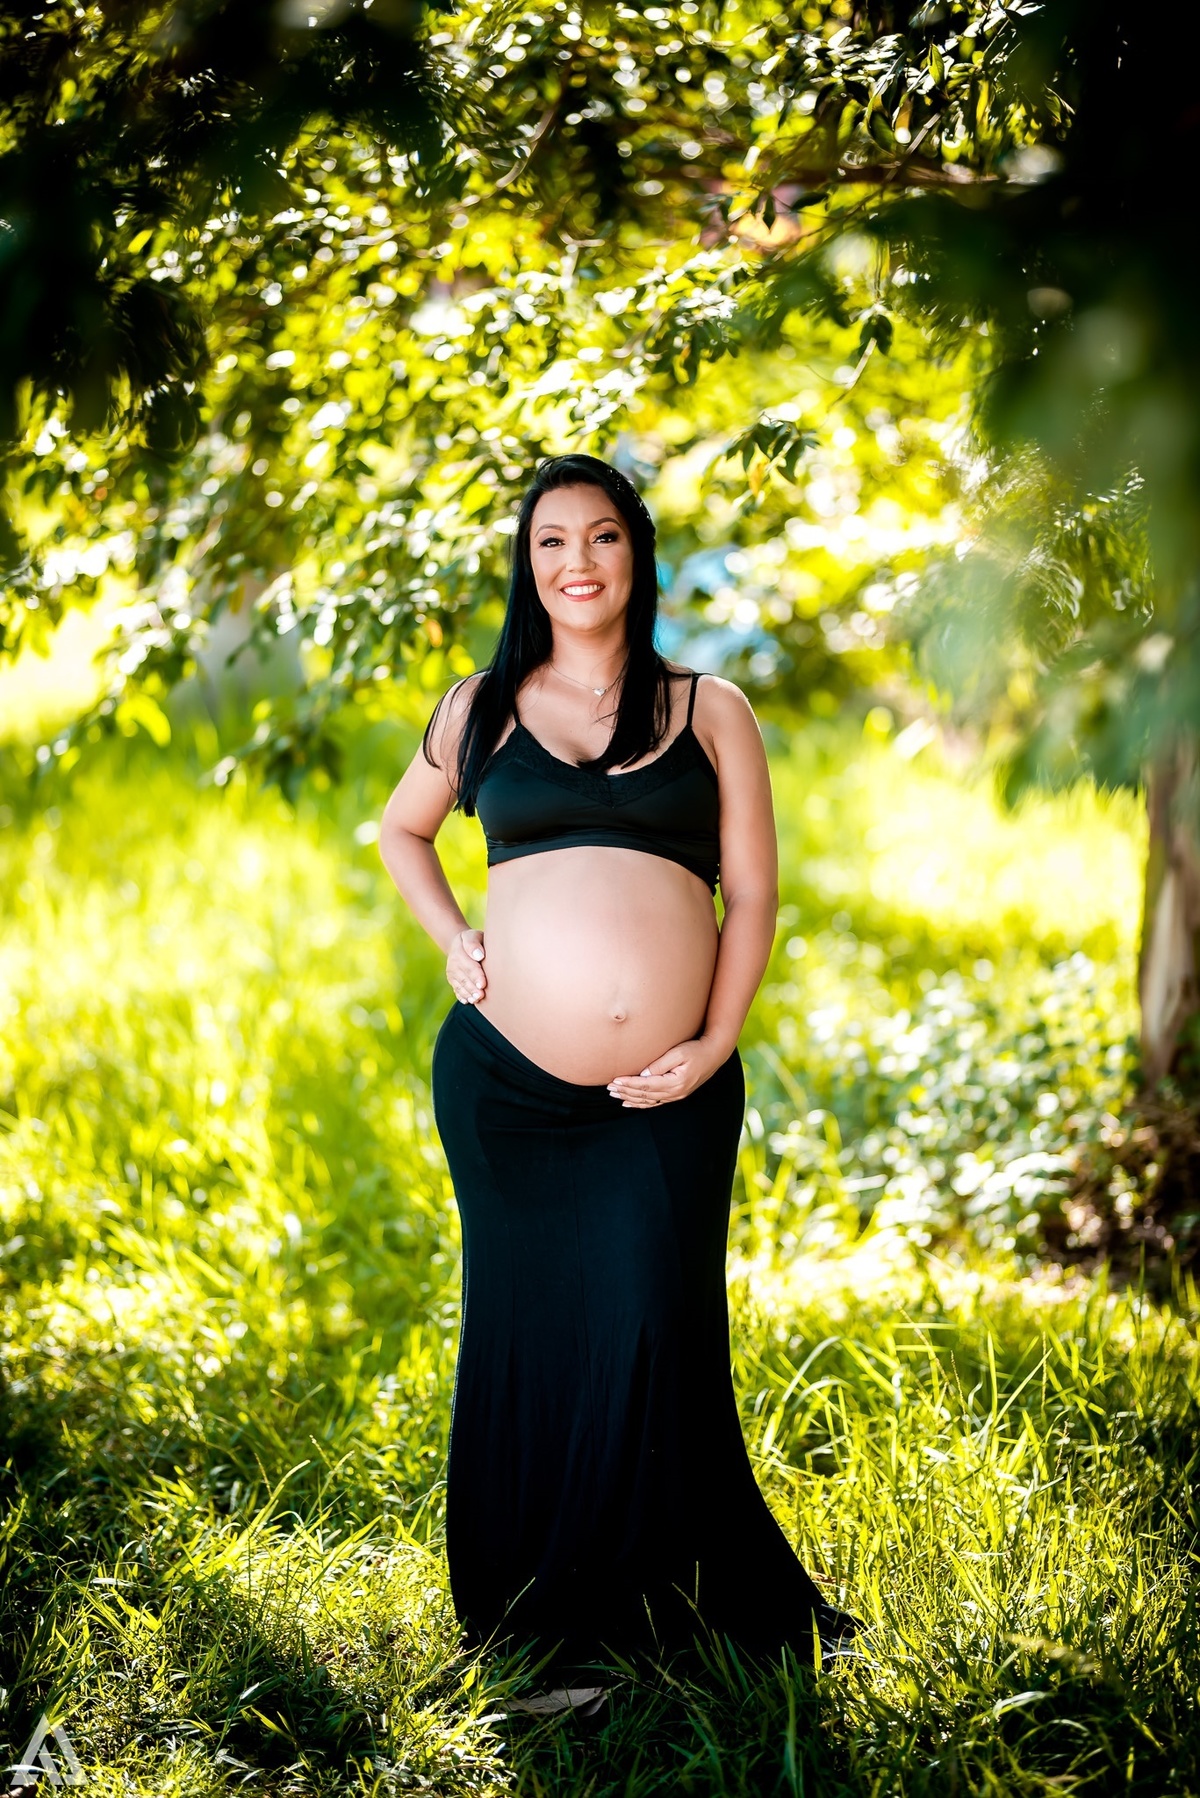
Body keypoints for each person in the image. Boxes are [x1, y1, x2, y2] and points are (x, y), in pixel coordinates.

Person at [378, 453, 857, 1704]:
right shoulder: (479, 707)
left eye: (600, 536)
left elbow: (753, 894)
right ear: (526, 566)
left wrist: (715, 1038)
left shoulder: (710, 709)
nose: (576, 561)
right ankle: (542, 1631)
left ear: (636, 555)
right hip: (506, 1094)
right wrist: (453, 936)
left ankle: (673, 1612)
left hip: (670, 1090)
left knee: (654, 1323)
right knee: (527, 1341)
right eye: (551, 541)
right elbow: (401, 828)